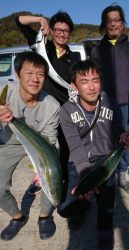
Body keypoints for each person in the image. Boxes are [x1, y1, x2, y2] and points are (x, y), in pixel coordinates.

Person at [59, 59, 129, 249]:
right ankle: (80, 209)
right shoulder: (66, 110)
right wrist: (87, 179)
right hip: (77, 162)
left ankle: (105, 230)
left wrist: (124, 137)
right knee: (66, 208)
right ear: (74, 86)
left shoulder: (111, 103)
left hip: (105, 160)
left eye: (95, 80)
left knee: (106, 203)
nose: (92, 87)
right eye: (84, 81)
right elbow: (75, 147)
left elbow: (119, 131)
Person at [16, 11, 81, 189]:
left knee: (66, 148)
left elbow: (78, 81)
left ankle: (64, 182)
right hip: (43, 108)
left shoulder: (74, 57)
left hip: (66, 108)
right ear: (51, 30)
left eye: (66, 31)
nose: (61, 34)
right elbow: (19, 21)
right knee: (43, 147)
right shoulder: (42, 46)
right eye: (58, 30)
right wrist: (39, 20)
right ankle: (43, 179)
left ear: (70, 33)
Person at [0, 52, 60, 241]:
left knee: (53, 175)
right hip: (10, 141)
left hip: (41, 143)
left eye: (40, 74)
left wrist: (43, 169)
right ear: (17, 74)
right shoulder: (5, 93)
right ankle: (17, 217)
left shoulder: (52, 105)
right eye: (29, 73)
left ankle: (44, 215)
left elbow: (50, 139)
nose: (35, 79)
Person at [91, 4, 129, 193]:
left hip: (126, 104)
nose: (113, 24)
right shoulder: (97, 49)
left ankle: (122, 176)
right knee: (104, 140)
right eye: (109, 21)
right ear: (103, 25)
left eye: (117, 20)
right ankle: (106, 174)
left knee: (125, 141)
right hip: (104, 103)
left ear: (123, 23)